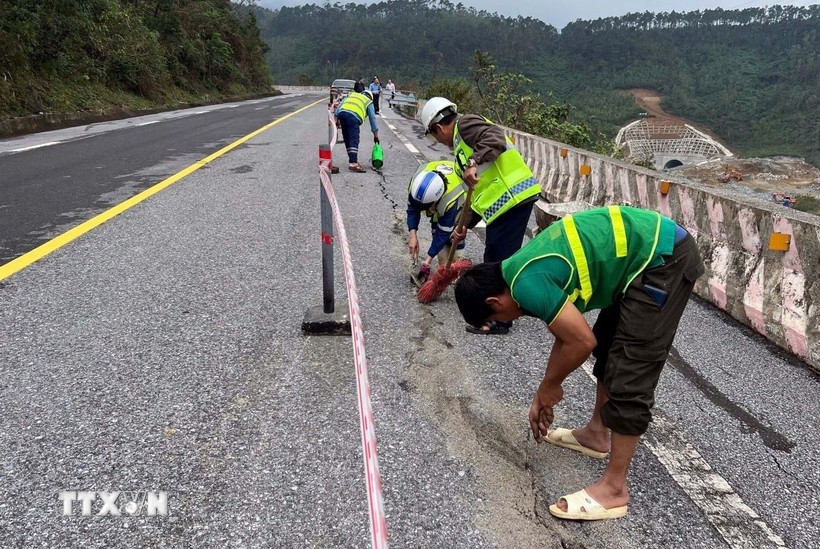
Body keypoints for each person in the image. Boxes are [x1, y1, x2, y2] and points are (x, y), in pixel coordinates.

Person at [454, 205, 704, 521]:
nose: (501, 321)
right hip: (637, 262)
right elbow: (566, 335)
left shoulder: (526, 285)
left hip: (662, 260)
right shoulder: (517, 270)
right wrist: (544, 391)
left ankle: (614, 489)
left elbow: (581, 342)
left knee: (631, 369)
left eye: (495, 318)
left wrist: (550, 386)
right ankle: (597, 434)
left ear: (494, 301)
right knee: (609, 347)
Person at [421, 96, 540, 334]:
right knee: (497, 257)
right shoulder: (460, 152)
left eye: (434, 136)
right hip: (503, 205)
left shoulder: (465, 124)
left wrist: (473, 162)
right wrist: (463, 225)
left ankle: (500, 319)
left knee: (497, 260)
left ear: (439, 128)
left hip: (514, 197)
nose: (438, 141)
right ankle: (509, 308)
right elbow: (476, 196)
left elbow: (495, 138)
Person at [406, 161, 467, 283]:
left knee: (455, 232)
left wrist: (427, 261)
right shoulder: (416, 184)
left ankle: (456, 266)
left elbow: (443, 232)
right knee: (436, 231)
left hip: (461, 197)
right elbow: (412, 210)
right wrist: (413, 236)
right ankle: (444, 265)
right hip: (439, 188)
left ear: (435, 202)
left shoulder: (450, 200)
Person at [335, 90, 379, 173]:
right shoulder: (368, 101)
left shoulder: (352, 95)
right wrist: (376, 136)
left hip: (342, 114)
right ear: (370, 97)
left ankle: (352, 160)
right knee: (354, 139)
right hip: (353, 117)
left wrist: (336, 119)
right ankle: (353, 163)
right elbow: (372, 119)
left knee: (347, 138)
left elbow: (339, 106)